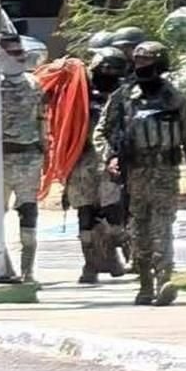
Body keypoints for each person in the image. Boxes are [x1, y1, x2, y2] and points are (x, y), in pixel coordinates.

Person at [95, 41, 186, 306]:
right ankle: (145, 285)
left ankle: (163, 280)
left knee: (163, 227)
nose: (142, 66)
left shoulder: (175, 99)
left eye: (147, 61)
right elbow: (102, 132)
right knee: (138, 229)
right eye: (138, 60)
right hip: (134, 173)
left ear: (160, 63)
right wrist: (109, 158)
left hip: (165, 173)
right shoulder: (122, 97)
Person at [66, 46, 128, 283]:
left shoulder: (125, 97)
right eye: (104, 68)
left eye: (114, 69)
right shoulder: (79, 95)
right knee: (86, 215)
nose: (108, 72)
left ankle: (114, 258)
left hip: (111, 162)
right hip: (81, 162)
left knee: (114, 214)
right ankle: (90, 264)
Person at [0, 34, 46, 284]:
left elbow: (41, 120)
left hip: (28, 157)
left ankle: (28, 271)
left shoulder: (33, 84)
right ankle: (2, 267)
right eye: (14, 52)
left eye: (21, 51)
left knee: (29, 214)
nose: (20, 56)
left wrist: (46, 151)